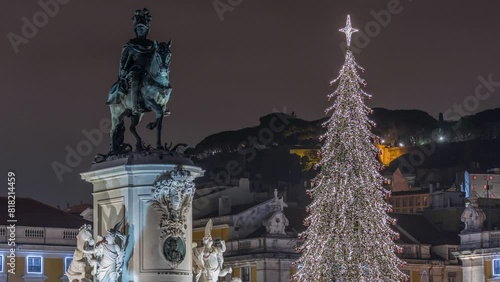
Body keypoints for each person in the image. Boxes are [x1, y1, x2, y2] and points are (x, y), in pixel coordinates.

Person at [107, 8, 155, 115]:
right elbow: (123, 59)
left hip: (148, 71)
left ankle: (160, 103)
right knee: (135, 81)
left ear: (146, 31)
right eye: (138, 29)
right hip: (135, 70)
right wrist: (122, 71)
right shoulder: (131, 44)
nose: (140, 31)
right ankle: (134, 107)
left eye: (142, 29)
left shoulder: (151, 45)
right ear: (135, 31)